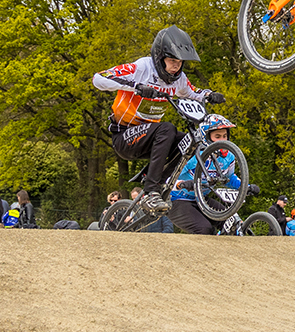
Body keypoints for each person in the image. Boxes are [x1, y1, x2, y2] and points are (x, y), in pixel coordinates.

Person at [92, 26, 224, 213]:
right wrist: (137, 87)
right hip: (124, 136)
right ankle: (150, 192)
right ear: (159, 58)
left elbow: (193, 93)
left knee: (188, 140)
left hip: (148, 139)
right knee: (167, 128)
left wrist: (210, 95)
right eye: (171, 60)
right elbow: (99, 78)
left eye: (179, 61)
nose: (176, 66)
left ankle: (159, 184)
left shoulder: (179, 79)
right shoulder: (141, 68)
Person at [169, 115, 240, 235]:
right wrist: (181, 184)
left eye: (224, 136)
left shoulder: (229, 157)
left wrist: (245, 186)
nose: (222, 140)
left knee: (232, 222)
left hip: (201, 199)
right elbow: (167, 178)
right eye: (217, 136)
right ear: (207, 137)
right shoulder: (193, 156)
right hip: (177, 199)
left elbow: (228, 178)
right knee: (204, 229)